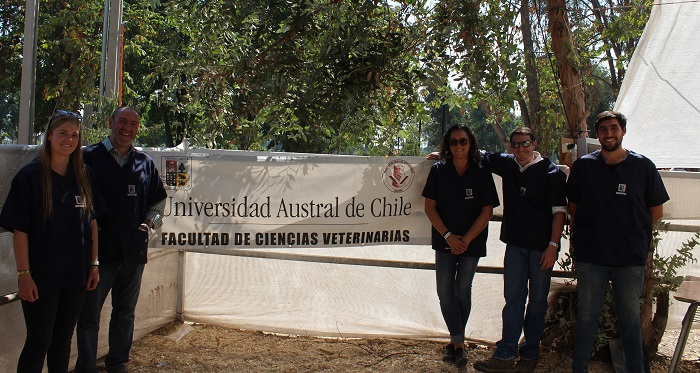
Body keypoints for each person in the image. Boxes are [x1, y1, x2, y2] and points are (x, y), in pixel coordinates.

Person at [567, 111, 669, 373]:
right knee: (587, 317)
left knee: (630, 319)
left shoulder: (643, 166)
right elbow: (574, 207)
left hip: (629, 258)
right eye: (603, 130)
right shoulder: (584, 167)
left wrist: (630, 233)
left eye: (614, 128)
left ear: (623, 131)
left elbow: (656, 212)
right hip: (592, 256)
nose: (609, 134)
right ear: (596, 134)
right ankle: (579, 368)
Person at [0, 110, 102, 372]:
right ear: (49, 136)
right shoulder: (30, 177)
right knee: (39, 341)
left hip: (76, 274)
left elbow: (91, 222)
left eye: (75, 135)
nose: (69, 139)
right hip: (41, 275)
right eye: (63, 133)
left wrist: (94, 263)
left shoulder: (84, 174)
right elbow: (19, 231)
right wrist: (24, 274)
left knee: (62, 342)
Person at [76, 106, 167, 373]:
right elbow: (75, 199)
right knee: (89, 318)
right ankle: (86, 367)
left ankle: (117, 365)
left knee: (125, 314)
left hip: (133, 254)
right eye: (122, 122)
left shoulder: (145, 162)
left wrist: (148, 225)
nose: (127, 128)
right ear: (110, 122)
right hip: (97, 255)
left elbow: (159, 200)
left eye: (134, 124)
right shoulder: (86, 157)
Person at [472, 127, 567, 373]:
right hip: (514, 245)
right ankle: (505, 355)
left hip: (541, 249)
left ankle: (530, 355)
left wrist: (553, 247)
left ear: (534, 143)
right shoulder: (508, 164)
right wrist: (441, 153)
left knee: (536, 302)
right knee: (513, 300)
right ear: (510, 147)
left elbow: (559, 213)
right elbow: (477, 153)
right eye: (515, 145)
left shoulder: (552, 173)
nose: (521, 149)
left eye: (525, 144)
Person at [422, 125, 500, 368]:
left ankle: (456, 344)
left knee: (462, 291)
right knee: (445, 293)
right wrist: (448, 236)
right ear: (448, 144)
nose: (458, 146)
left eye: (463, 142)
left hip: (471, 243)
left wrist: (465, 239)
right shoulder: (438, 170)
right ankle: (459, 344)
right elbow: (429, 207)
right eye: (453, 142)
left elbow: (488, 210)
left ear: (470, 144)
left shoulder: (481, 172)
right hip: (445, 241)